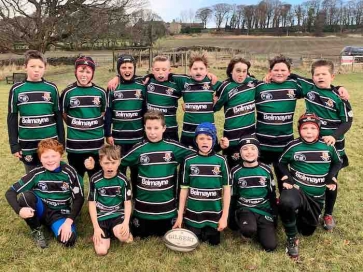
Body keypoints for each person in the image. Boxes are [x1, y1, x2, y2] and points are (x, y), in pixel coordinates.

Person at [289, 59, 353, 231]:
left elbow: (347, 121)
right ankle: (310, 208)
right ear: (312, 77)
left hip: (333, 146)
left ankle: (328, 214)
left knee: (330, 179)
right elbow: (291, 75)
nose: (320, 77)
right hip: (310, 143)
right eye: (317, 74)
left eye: (324, 74)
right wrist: (267, 76)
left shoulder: (339, 96)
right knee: (310, 177)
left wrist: (334, 136)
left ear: (332, 76)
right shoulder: (309, 87)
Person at [120, 110, 195, 238]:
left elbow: (198, 155)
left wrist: (219, 146)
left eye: (156, 128)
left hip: (167, 212)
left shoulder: (173, 148)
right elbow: (118, 163)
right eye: (149, 128)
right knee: (139, 235)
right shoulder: (139, 149)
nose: (152, 132)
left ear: (164, 128)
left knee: (169, 234)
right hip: (143, 211)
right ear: (144, 128)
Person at [278, 113, 342, 259]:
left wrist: (331, 177)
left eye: (313, 128)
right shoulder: (293, 146)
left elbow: (338, 162)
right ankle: (291, 239)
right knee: (287, 201)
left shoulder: (327, 146)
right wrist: (287, 177)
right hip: (298, 191)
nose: (308, 132)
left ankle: (300, 214)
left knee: (307, 231)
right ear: (299, 129)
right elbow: (281, 162)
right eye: (304, 128)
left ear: (319, 130)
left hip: (316, 198)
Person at [5, 139, 84, 248]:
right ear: (40, 159)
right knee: (25, 197)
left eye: (53, 156)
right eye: (45, 157)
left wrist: (68, 222)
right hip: (40, 210)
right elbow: (10, 192)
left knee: (69, 241)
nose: (50, 160)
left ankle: (53, 225)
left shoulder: (70, 173)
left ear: (60, 156)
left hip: (59, 213)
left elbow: (79, 199)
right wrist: (19, 210)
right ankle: (36, 229)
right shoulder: (36, 173)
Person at [173, 122, 231, 246]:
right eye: (201, 138)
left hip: (214, 215)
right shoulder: (188, 161)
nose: (205, 142)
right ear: (196, 141)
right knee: (192, 241)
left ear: (214, 141)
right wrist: (180, 216)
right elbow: (184, 190)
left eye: (209, 138)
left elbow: (227, 190)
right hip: (193, 216)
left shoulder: (221, 161)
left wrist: (224, 217)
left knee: (214, 243)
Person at [7, 50, 65, 173]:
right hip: (27, 143)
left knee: (52, 174)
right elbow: (12, 118)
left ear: (45, 68)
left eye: (40, 67)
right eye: (32, 66)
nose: (36, 70)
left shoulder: (51, 88)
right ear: (25, 67)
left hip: (50, 141)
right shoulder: (16, 89)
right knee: (32, 175)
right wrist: (14, 145)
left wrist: (61, 141)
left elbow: (58, 116)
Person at [104, 55, 146, 192]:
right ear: (118, 69)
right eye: (123, 68)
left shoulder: (141, 86)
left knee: (136, 170)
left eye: (130, 67)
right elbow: (109, 112)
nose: (127, 70)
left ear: (134, 68)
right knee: (119, 168)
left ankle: (136, 197)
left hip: (137, 137)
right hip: (119, 138)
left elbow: (145, 111)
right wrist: (108, 133)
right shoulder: (113, 87)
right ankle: (120, 196)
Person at [60, 56, 107, 179]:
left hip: (96, 144)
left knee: (96, 177)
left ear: (92, 73)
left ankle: (94, 198)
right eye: (81, 70)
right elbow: (64, 114)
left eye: (88, 71)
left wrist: (91, 124)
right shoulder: (68, 92)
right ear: (75, 72)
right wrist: (77, 124)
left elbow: (103, 113)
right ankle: (78, 197)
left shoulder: (100, 92)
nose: (84, 75)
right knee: (76, 178)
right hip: (75, 145)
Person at [231, 136, 277, 252]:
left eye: (253, 148)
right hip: (245, 207)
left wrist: (275, 214)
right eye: (245, 149)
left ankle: (261, 226)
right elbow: (233, 195)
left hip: (263, 208)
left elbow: (272, 193)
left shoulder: (266, 170)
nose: (249, 152)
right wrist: (230, 217)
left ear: (258, 152)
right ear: (240, 153)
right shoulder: (235, 171)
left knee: (270, 246)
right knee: (249, 229)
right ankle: (247, 228)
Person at [86, 144, 133, 256]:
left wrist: (126, 223)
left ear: (119, 162)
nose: (110, 166)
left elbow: (127, 203)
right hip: (102, 217)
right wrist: (96, 228)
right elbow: (91, 204)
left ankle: (120, 232)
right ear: (100, 162)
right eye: (106, 163)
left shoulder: (123, 180)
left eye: (113, 162)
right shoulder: (95, 179)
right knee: (101, 251)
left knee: (123, 236)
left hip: (117, 215)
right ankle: (107, 234)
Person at [214, 57, 257, 169]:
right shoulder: (225, 87)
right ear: (231, 71)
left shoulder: (252, 83)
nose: (241, 74)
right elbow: (214, 107)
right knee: (231, 168)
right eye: (238, 71)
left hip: (249, 133)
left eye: (244, 71)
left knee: (248, 167)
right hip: (231, 136)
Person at [171, 52, 218, 149]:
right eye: (195, 69)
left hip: (207, 131)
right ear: (190, 70)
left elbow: (228, 87)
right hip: (189, 132)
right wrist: (149, 76)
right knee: (188, 158)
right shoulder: (184, 81)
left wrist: (217, 99)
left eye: (201, 69)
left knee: (207, 160)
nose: (198, 72)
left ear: (206, 70)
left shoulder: (212, 82)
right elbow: (165, 74)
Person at [145, 55, 182, 141]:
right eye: (157, 70)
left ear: (169, 70)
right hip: (152, 130)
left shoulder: (175, 85)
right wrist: (117, 77)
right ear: (152, 70)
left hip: (170, 129)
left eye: (164, 70)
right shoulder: (148, 82)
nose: (160, 72)